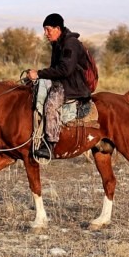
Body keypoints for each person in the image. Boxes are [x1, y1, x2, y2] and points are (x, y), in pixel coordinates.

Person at [26, 13, 90, 160]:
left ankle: (50, 144)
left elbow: (65, 70)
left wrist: (39, 74)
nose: (45, 33)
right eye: (44, 30)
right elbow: (55, 68)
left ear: (58, 28)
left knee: (50, 105)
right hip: (63, 81)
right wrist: (36, 77)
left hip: (72, 85)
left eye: (48, 29)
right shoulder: (57, 43)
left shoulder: (70, 43)